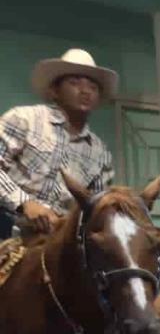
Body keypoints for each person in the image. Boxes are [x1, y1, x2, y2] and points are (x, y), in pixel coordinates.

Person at [0, 49, 116, 237]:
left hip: (58, 242)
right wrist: (25, 203)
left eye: (93, 87)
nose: (85, 90)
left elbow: (94, 207)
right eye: (74, 82)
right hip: (7, 228)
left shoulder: (100, 153)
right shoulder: (24, 119)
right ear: (54, 91)